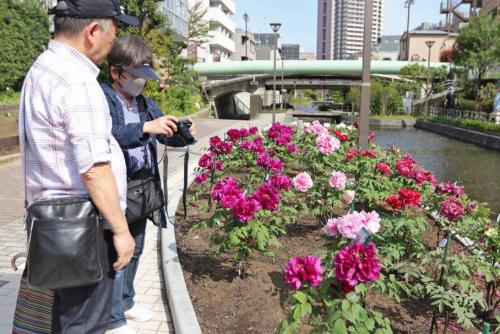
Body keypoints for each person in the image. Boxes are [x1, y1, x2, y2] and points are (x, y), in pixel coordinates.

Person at [16, 1, 138, 333]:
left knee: (62, 319)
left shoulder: (42, 69)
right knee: (83, 323)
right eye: (113, 35)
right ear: (92, 31)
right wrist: (122, 232)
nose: (112, 44)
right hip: (82, 228)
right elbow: (94, 169)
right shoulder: (79, 82)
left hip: (51, 223)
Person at [101, 35, 196, 334]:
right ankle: (113, 317)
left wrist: (180, 128)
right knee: (119, 253)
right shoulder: (102, 98)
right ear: (116, 73)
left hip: (143, 188)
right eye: (135, 76)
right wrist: (145, 127)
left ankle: (127, 302)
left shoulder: (145, 103)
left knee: (138, 248)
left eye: (145, 76)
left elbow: (165, 136)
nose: (141, 83)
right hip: (116, 188)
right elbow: (108, 134)